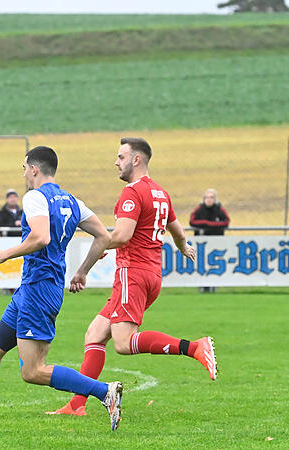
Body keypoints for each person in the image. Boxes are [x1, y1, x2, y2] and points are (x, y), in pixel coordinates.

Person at [0, 146, 124, 431]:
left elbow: (40, 237)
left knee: (33, 370)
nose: (24, 173)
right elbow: (104, 236)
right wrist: (81, 272)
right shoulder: (73, 202)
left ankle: (105, 391)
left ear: (35, 169)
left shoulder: (35, 197)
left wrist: (6, 253)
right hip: (33, 289)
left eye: (24, 168)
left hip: (39, 291)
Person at [48, 138, 217, 417]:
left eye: (120, 156)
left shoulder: (132, 192)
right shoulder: (160, 192)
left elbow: (122, 236)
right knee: (94, 335)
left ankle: (194, 347)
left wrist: (84, 268)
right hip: (150, 274)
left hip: (133, 273)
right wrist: (182, 246)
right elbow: (174, 227)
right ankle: (77, 405)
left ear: (136, 160)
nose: (116, 162)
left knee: (124, 343)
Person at [189, 188, 230, 293]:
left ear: (215, 199)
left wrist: (208, 225)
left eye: (211, 197)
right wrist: (208, 224)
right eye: (207, 197)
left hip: (216, 244)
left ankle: (213, 284)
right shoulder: (199, 209)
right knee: (202, 264)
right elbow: (192, 221)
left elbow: (226, 222)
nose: (209, 200)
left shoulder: (219, 209)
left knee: (214, 265)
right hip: (201, 244)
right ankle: (202, 285)